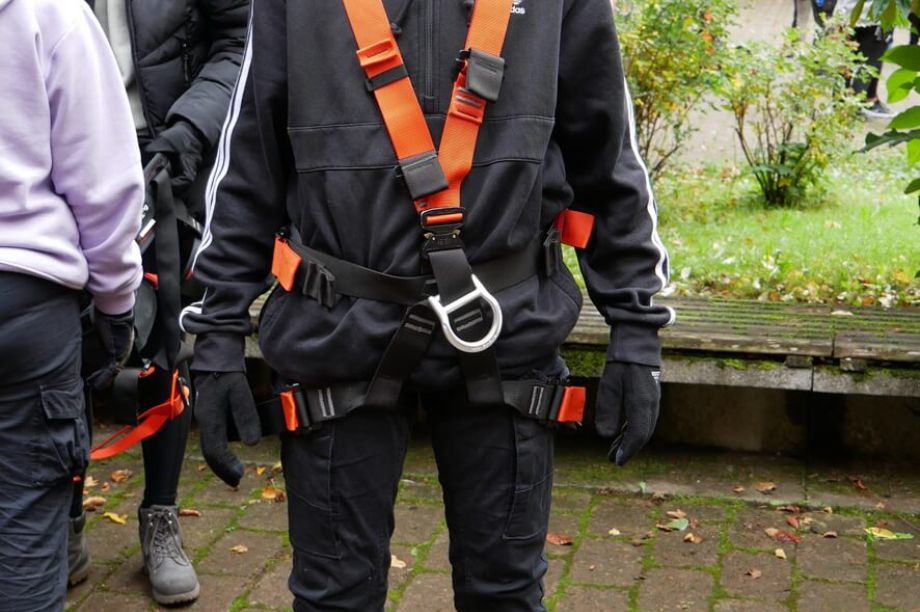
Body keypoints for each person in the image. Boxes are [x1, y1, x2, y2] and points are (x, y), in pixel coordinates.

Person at [183, 0, 674, 609]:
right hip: (339, 335)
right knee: (334, 598)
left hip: (503, 335)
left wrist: (636, 327)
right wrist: (217, 333)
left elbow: (607, 156)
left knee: (505, 595)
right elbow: (249, 161)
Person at [67, 0, 249, 605]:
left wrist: (188, 133)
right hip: (63, 147)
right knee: (63, 342)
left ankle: (161, 516)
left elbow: (239, 39)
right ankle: (62, 517)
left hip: (167, 150)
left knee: (162, 341)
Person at [0, 0, 143, 608]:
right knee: (25, 521)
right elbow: (104, 181)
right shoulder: (50, 11)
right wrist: (116, 301)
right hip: (22, 296)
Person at [836, 0, 895, 118]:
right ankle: (854, 107)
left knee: (845, 62)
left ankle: (841, 104)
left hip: (847, 12)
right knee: (867, 65)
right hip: (875, 16)